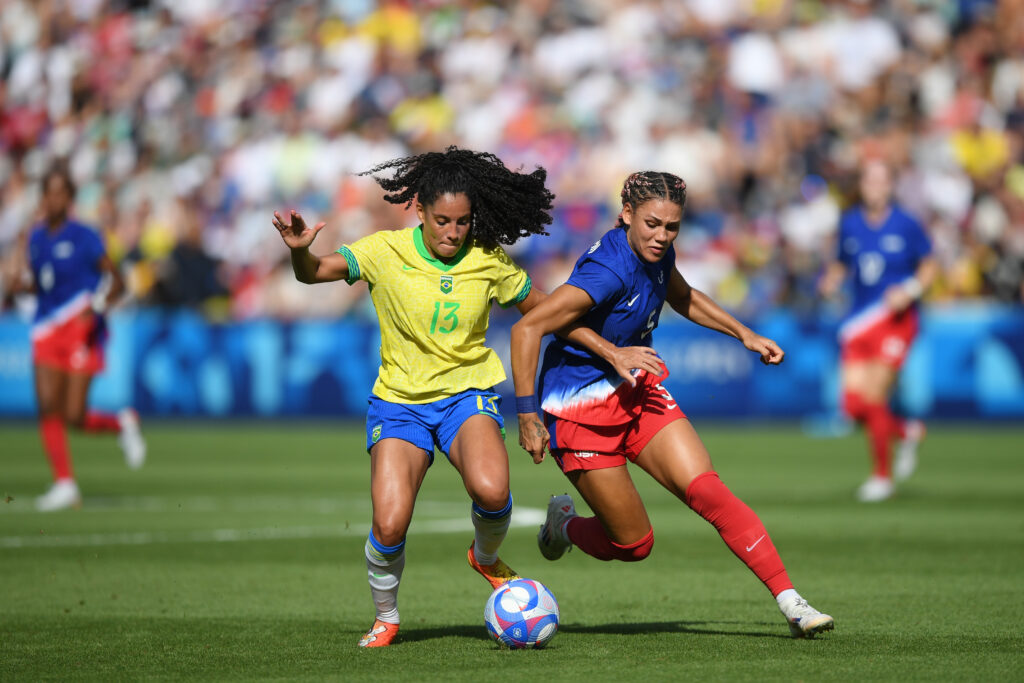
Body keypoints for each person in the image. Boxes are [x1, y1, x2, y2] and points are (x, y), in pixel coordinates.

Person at [270, 147, 631, 649]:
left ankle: (483, 558)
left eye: (463, 222)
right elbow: (312, 273)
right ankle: (387, 616)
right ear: (419, 209)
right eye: (443, 220)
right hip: (399, 403)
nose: (453, 232)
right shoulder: (382, 251)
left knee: (492, 492)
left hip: (468, 395)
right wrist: (298, 250)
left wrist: (608, 349)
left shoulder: (487, 260)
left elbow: (548, 312)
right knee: (390, 522)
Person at [509, 171, 834, 639]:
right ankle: (564, 527)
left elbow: (681, 296)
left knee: (711, 494)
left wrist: (745, 334)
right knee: (635, 545)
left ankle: (792, 603)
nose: (662, 236)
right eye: (652, 224)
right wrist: (527, 416)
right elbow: (526, 330)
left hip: (637, 393)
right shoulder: (607, 271)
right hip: (580, 410)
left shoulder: (656, 254)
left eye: (672, 227)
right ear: (626, 215)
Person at [20, 167, 146, 511]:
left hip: (80, 327)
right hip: (46, 327)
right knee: (48, 405)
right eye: (49, 192)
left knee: (75, 415)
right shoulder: (35, 238)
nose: (54, 198)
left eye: (61, 192)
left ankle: (122, 422)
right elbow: (40, 283)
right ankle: (65, 483)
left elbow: (117, 280)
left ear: (70, 198)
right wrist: (21, 286)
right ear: (42, 198)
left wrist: (99, 305)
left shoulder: (85, 236)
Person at [819, 159, 937, 502]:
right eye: (869, 180)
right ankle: (906, 430)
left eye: (881, 180)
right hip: (859, 322)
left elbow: (930, 266)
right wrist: (831, 280)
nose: (875, 187)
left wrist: (911, 290)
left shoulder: (906, 223)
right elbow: (841, 263)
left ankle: (881, 477)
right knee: (854, 408)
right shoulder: (850, 222)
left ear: (890, 185)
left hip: (895, 320)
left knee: (874, 397)